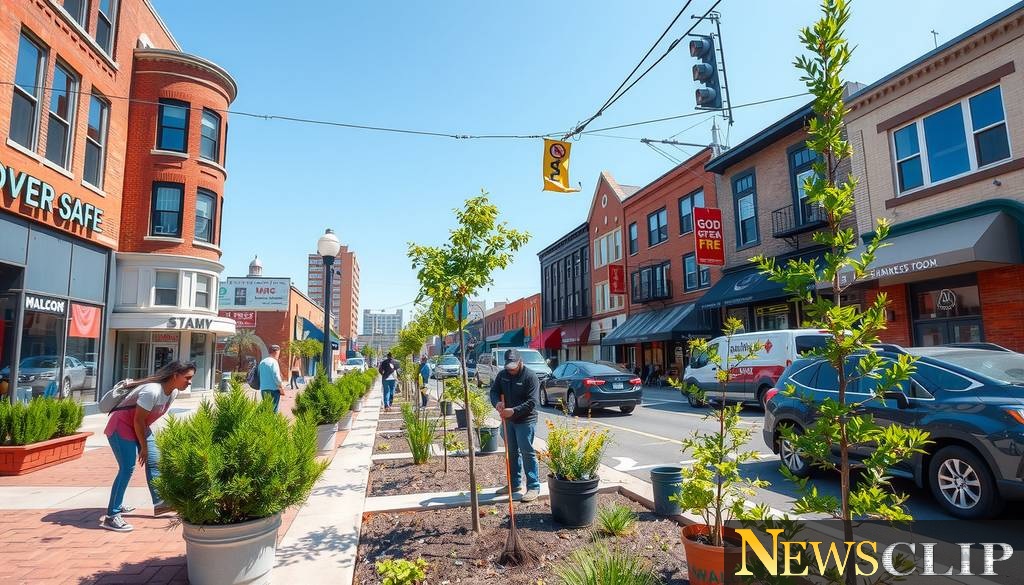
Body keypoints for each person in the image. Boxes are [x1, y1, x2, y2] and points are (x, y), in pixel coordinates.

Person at [102, 360, 195, 532]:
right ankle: (112, 515)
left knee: (155, 461)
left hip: (140, 427)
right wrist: (143, 447)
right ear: (175, 376)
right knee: (126, 468)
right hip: (121, 427)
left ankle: (161, 503)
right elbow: (137, 420)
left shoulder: (172, 392)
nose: (189, 382)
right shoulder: (152, 391)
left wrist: (146, 445)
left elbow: (144, 420)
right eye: (187, 378)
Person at [489, 348, 541, 502]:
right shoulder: (502, 375)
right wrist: (497, 402)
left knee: (527, 453)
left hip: (525, 420)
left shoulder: (530, 377)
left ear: (520, 362)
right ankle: (514, 484)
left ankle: (533, 487)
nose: (511, 370)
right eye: (508, 366)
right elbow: (493, 392)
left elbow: (532, 402)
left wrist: (514, 411)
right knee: (511, 453)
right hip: (508, 421)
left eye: (514, 366)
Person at [259, 345, 287, 412]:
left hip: (263, 389)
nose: (278, 355)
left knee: (266, 409)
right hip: (273, 390)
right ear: (276, 352)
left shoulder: (262, 362)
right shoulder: (274, 362)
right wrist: (281, 387)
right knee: (274, 410)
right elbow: (276, 376)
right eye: (279, 353)